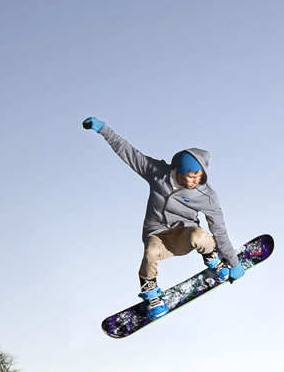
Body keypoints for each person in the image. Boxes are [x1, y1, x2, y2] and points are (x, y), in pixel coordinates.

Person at [83, 116, 244, 319]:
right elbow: (129, 153)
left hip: (183, 235)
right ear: (178, 171)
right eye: (190, 176)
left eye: (199, 176)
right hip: (157, 235)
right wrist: (103, 129)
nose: (195, 181)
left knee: (200, 236)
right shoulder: (157, 173)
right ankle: (151, 294)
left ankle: (212, 258)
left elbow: (219, 229)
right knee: (150, 251)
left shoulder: (207, 196)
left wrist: (233, 262)